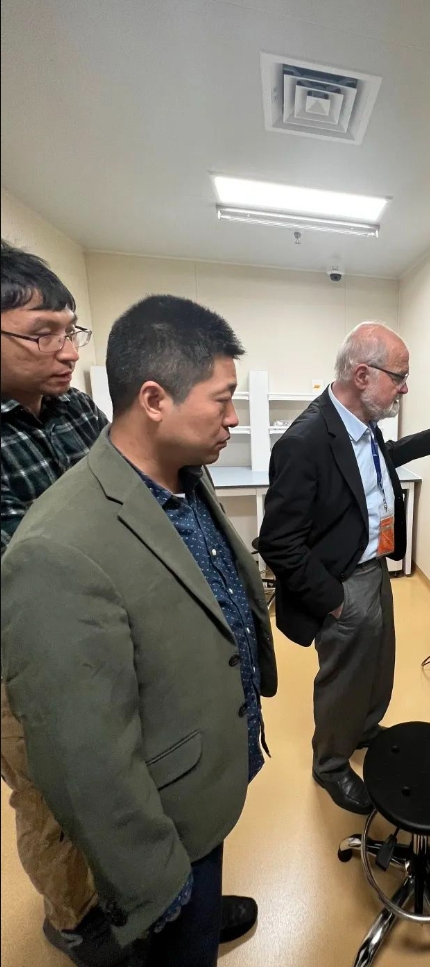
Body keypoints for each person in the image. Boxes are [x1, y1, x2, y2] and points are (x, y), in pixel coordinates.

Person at [2, 294, 278, 967]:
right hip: (160, 811)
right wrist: (152, 878)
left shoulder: (178, 470)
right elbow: (85, 758)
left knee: (200, 887)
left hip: (200, 771)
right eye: (222, 400)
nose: (233, 417)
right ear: (154, 400)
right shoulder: (55, 548)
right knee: (178, 933)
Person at [258, 322, 430, 814]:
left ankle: (365, 728)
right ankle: (330, 764)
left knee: (377, 666)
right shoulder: (304, 441)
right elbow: (278, 543)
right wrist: (333, 601)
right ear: (363, 375)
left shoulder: (361, 424)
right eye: (400, 377)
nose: (405, 388)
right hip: (341, 583)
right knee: (344, 680)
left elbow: (377, 461)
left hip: (373, 570)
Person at [0, 240, 127, 966]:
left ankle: (134, 893)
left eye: (70, 329)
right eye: (41, 333)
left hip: (103, 633)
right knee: (48, 796)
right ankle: (73, 919)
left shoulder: (75, 407)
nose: (68, 351)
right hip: (22, 663)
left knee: (114, 768)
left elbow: (122, 490)